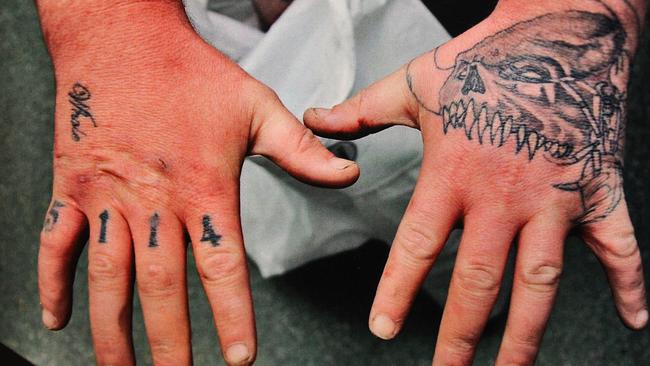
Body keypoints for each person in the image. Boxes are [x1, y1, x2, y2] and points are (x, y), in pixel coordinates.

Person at [36, 0, 647, 365]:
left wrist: (577, 14)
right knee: (234, 161)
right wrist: (104, 26)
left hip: (456, 29)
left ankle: (467, 282)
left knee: (462, 199)